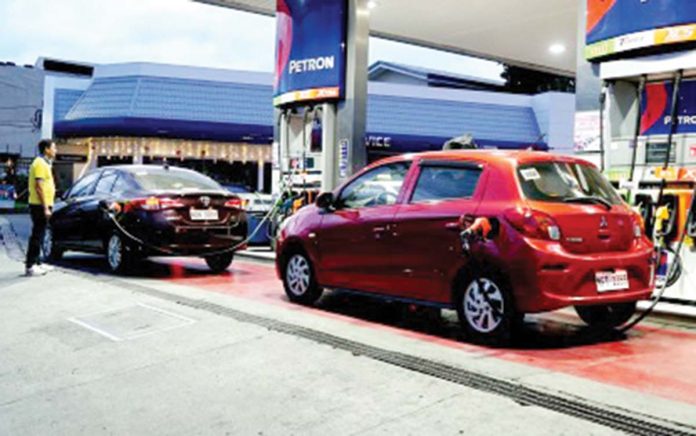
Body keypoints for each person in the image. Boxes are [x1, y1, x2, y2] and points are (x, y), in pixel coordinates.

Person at [25, 140, 57, 276]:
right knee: (37, 235)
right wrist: (45, 208)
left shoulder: (44, 163)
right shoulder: (39, 163)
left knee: (41, 233)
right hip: (39, 205)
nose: (56, 150)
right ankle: (30, 265)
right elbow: (39, 187)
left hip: (43, 204)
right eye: (54, 148)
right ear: (46, 149)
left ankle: (37, 262)